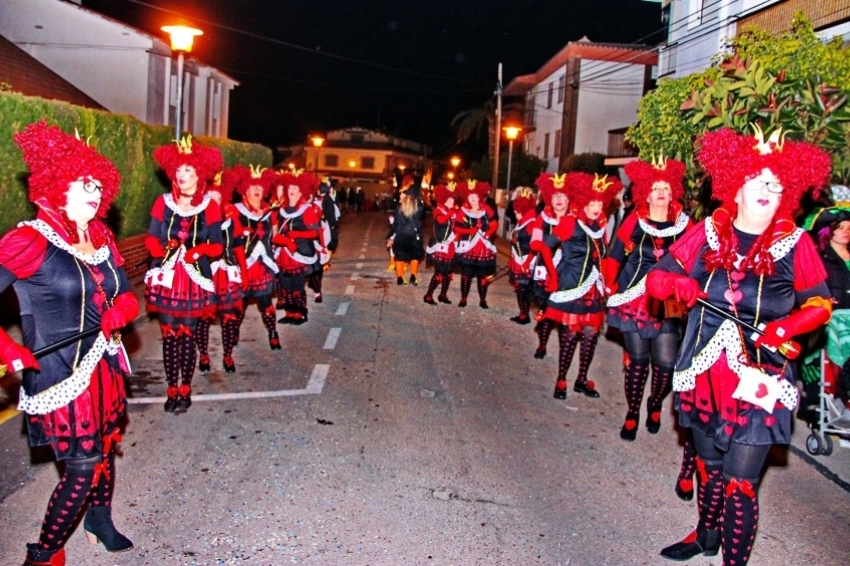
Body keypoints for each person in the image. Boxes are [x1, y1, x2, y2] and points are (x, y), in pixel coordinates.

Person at [647, 127, 832, 564]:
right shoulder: (709, 232)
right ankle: (704, 536)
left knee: (740, 482)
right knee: (709, 467)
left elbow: (821, 304)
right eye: (757, 179)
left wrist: (786, 328)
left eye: (776, 183)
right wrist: (675, 283)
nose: (767, 190)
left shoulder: (796, 243)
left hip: (761, 381)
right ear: (736, 184)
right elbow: (656, 279)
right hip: (704, 375)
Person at [0, 121, 139, 564]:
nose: (96, 193)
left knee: (104, 445)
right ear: (58, 185)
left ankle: (100, 520)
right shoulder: (30, 240)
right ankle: (44, 554)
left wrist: (122, 311)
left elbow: (127, 294)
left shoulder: (100, 237)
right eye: (86, 184)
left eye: (99, 185)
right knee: (81, 466)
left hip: (105, 365)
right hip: (58, 373)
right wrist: (7, 348)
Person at [603, 157, 692, 440]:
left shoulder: (685, 225)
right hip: (633, 297)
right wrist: (608, 284)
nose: (661, 192)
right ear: (646, 193)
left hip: (670, 302)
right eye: (655, 187)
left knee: (666, 363)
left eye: (666, 186)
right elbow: (615, 256)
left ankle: (655, 403)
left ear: (673, 191)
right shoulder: (634, 221)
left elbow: (697, 262)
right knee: (638, 361)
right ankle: (632, 412)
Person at [145, 136, 223, 413]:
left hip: (195, 280)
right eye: (179, 170)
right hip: (167, 278)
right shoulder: (162, 203)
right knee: (168, 335)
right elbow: (151, 239)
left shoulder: (210, 207)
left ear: (199, 174)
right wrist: (163, 247)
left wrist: (199, 250)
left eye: (188, 170)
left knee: (187, 335)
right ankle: (170, 389)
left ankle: (185, 389)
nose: (182, 174)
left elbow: (218, 245)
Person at [536, 172, 621, 399]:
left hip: (593, 290)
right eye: (591, 202)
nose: (595, 207)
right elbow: (545, 247)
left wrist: (609, 283)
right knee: (571, 335)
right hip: (571, 286)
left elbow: (601, 256)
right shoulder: (570, 223)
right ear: (583, 202)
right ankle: (561, 380)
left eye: (599, 203)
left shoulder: (598, 226)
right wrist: (553, 277)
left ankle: (581, 379)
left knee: (591, 335)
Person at [195, 168, 248, 374]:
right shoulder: (197, 217)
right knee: (203, 318)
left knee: (230, 317)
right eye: (211, 196)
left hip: (227, 273)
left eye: (218, 196)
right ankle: (204, 355)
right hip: (204, 273)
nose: (215, 199)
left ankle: (227, 356)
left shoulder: (231, 216)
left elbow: (237, 247)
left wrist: (243, 271)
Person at [233, 165, 281, 348]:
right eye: (253, 187)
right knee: (240, 303)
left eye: (260, 188)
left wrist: (294, 242)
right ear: (245, 189)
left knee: (266, 302)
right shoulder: (235, 210)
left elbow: (275, 238)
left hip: (264, 265)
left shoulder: (271, 212)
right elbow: (228, 237)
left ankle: (272, 333)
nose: (257, 191)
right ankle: (234, 331)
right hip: (242, 265)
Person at [530, 173, 571, 359]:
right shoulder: (543, 217)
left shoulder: (576, 220)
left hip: (569, 271)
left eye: (563, 196)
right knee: (546, 309)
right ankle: (542, 345)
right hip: (546, 268)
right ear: (549, 198)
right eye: (555, 196)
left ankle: (565, 350)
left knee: (565, 313)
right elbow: (534, 242)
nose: (559, 199)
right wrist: (547, 244)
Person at [273, 170, 321, 324]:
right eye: (290, 188)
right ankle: (289, 313)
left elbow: (314, 233)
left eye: (295, 189)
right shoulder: (280, 209)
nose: (292, 191)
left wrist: (297, 235)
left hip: (300, 254)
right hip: (282, 254)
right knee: (285, 285)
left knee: (297, 286)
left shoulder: (306, 210)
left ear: (302, 192)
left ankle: (299, 314)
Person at [454, 180, 498, 308]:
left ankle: (483, 300)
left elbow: (494, 224)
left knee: (482, 275)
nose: (472, 198)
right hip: (468, 246)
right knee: (466, 274)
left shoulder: (487, 209)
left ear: (479, 196)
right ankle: (463, 298)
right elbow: (457, 228)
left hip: (483, 246)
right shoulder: (463, 210)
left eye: (475, 195)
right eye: (470, 195)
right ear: (466, 197)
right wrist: (470, 230)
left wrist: (489, 232)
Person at [386, 175, 425, 286]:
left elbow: (396, 224)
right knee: (415, 256)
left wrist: (390, 236)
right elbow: (423, 219)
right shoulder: (420, 208)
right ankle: (413, 276)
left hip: (401, 235)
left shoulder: (399, 207)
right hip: (414, 236)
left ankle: (400, 278)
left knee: (400, 256)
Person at [306, 178, 340, 303]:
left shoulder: (326, 200)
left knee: (318, 261)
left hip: (320, 231)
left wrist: (331, 227)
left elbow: (329, 216)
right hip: (306, 236)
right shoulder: (305, 203)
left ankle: (317, 290)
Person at [507, 189, 538, 324]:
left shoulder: (531, 224)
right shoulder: (522, 223)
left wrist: (527, 263)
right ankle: (523, 314)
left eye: (517, 210)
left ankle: (524, 316)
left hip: (528, 263)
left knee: (523, 290)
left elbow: (535, 246)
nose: (514, 212)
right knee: (520, 289)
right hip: (520, 261)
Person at [423, 182, 458, 304]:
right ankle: (428, 295)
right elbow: (441, 220)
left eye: (453, 199)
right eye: (449, 199)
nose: (452, 201)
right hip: (439, 246)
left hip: (450, 247)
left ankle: (443, 295)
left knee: (448, 273)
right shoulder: (438, 210)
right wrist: (450, 213)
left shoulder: (451, 211)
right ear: (443, 199)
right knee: (439, 272)